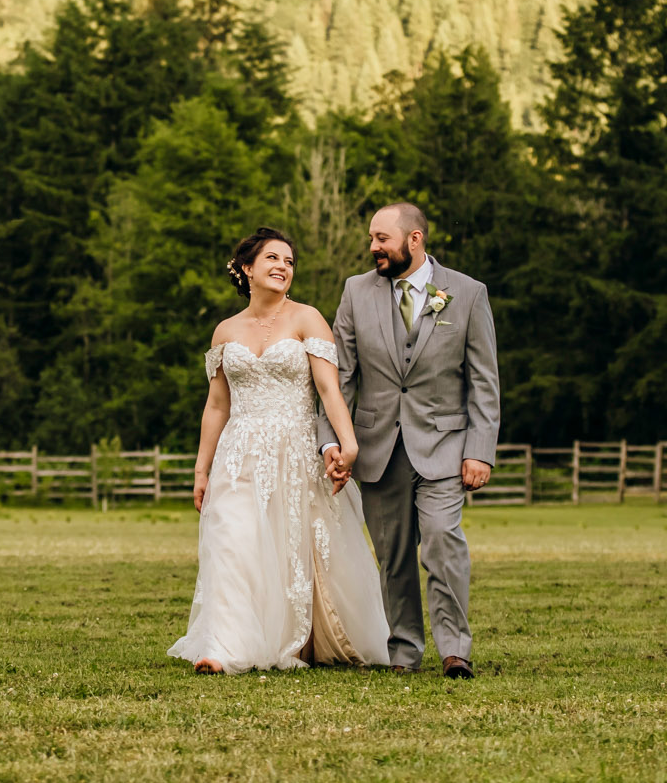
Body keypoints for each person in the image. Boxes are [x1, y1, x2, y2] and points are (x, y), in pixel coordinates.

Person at [169, 228, 391, 674]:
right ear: (247, 268)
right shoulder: (225, 330)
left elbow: (330, 390)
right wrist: (201, 469)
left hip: (296, 450)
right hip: (239, 451)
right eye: (272, 258)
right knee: (233, 542)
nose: (283, 267)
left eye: (289, 261)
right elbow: (216, 404)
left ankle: (295, 636)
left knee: (290, 548)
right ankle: (224, 647)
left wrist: (348, 444)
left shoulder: (308, 318)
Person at [317, 203, 499, 677]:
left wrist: (480, 449)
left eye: (382, 238)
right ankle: (404, 653)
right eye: (372, 238)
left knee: (442, 541)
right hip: (377, 450)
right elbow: (342, 379)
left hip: (444, 447)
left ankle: (455, 650)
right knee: (393, 559)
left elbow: (483, 381)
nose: (373, 247)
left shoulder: (468, 293)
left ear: (414, 239)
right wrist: (331, 440)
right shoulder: (355, 292)